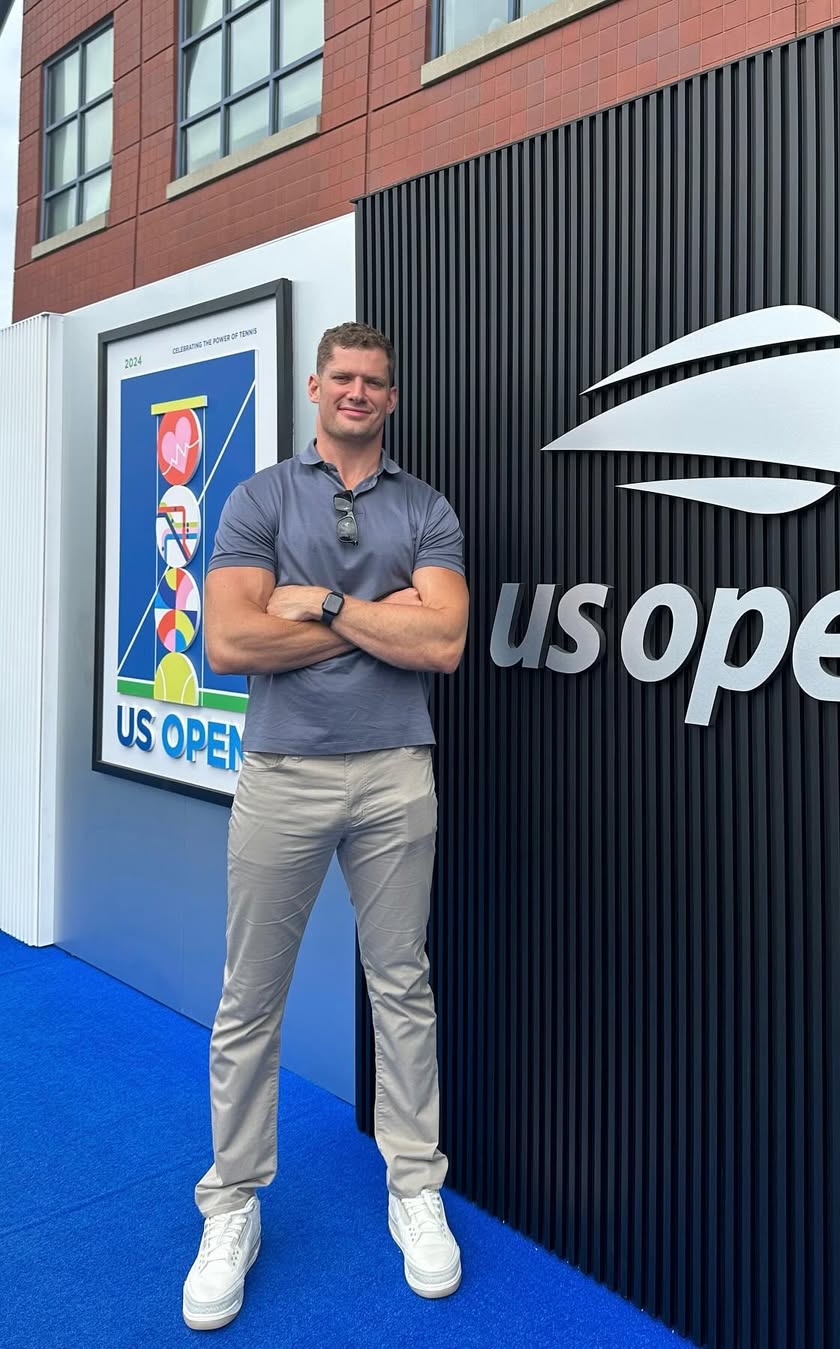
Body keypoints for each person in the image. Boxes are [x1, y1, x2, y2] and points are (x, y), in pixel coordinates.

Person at [182, 322, 469, 1331]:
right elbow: (228, 640)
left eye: (374, 381)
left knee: (403, 986)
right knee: (249, 998)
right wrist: (379, 618)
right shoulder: (261, 497)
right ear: (315, 387)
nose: (357, 391)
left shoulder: (426, 507)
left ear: (391, 397)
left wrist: (321, 604)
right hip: (283, 775)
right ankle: (231, 1203)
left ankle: (414, 1186)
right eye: (342, 376)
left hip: (396, 771)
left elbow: (444, 640)